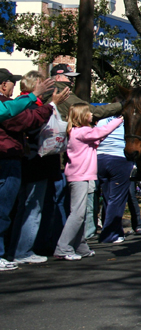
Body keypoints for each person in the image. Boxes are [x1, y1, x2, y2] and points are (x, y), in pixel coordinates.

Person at [0, 70, 67, 271]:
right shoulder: (10, 103)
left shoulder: (14, 102)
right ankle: (15, 251)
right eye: (12, 82)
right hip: (8, 160)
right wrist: (44, 102)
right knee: (9, 209)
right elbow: (22, 119)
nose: (14, 86)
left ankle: (14, 251)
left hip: (16, 159)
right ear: (4, 85)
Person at [54, 104, 123, 260]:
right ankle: (63, 248)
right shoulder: (81, 132)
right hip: (80, 176)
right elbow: (100, 132)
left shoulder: (77, 132)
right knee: (77, 214)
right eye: (89, 112)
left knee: (81, 214)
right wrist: (119, 119)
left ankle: (80, 245)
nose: (92, 114)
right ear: (82, 116)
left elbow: (97, 137)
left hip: (81, 175)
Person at [96, 114, 132, 244]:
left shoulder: (102, 120)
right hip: (119, 157)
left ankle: (116, 231)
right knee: (117, 198)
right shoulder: (126, 121)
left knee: (108, 197)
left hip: (99, 157)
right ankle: (109, 234)